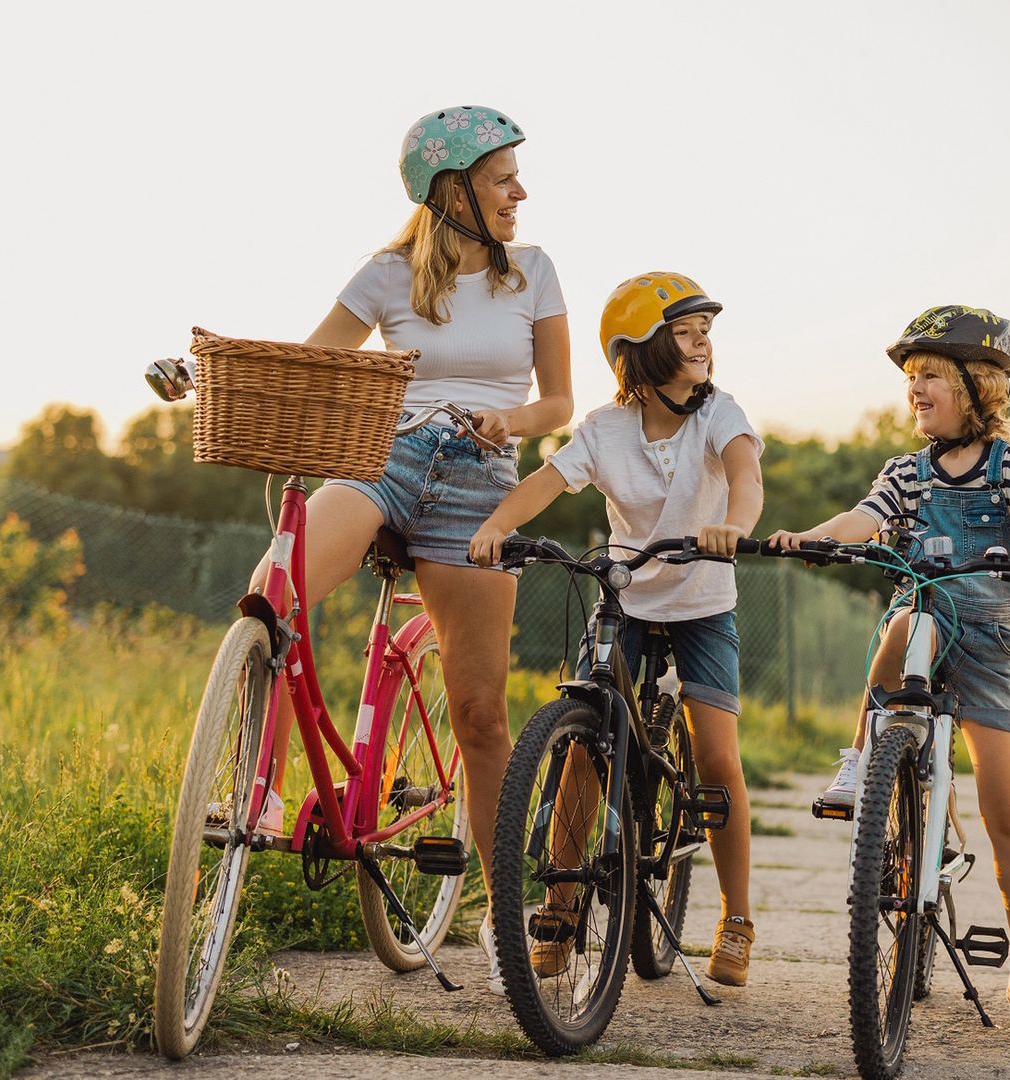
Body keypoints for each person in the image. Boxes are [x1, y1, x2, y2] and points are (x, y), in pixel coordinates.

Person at [253, 105, 572, 996]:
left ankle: (506, 913)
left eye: (517, 176)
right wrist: (216, 372)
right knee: (271, 593)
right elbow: (315, 363)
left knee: (479, 714)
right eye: (504, 176)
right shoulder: (388, 275)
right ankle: (257, 787)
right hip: (382, 461)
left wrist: (512, 418)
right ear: (452, 187)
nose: (521, 191)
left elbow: (558, 405)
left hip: (480, 481)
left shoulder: (534, 273)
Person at [768, 305, 1010, 1035]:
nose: (916, 389)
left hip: (988, 647)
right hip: (925, 631)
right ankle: (861, 758)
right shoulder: (905, 472)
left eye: (930, 375)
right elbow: (866, 517)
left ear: (977, 388)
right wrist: (811, 537)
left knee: (1006, 813)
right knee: (908, 616)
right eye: (912, 378)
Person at [468, 271, 765, 986]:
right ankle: (561, 907)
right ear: (643, 349)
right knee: (583, 750)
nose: (704, 343)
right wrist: (496, 525)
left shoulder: (718, 413)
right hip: (627, 595)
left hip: (701, 600)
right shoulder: (605, 428)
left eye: (706, 332)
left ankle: (737, 916)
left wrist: (734, 526)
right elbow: (547, 480)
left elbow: (745, 473)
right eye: (688, 332)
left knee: (718, 756)